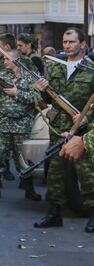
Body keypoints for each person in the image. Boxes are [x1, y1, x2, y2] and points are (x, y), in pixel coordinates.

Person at [34, 27, 94, 233]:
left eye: (72, 42)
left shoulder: (91, 69)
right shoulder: (55, 68)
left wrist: (88, 117)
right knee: (55, 173)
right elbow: (45, 102)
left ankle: (93, 215)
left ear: (83, 44)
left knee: (87, 173)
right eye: (65, 42)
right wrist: (41, 91)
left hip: (83, 130)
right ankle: (54, 213)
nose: (67, 46)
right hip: (59, 128)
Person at [0, 49, 42, 201]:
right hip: (3, 122)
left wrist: (17, 93)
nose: (4, 62)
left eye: (7, 59)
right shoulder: (0, 76)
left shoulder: (30, 77)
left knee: (23, 157)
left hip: (22, 124)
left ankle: (29, 189)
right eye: (3, 59)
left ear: (17, 61)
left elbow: (37, 98)